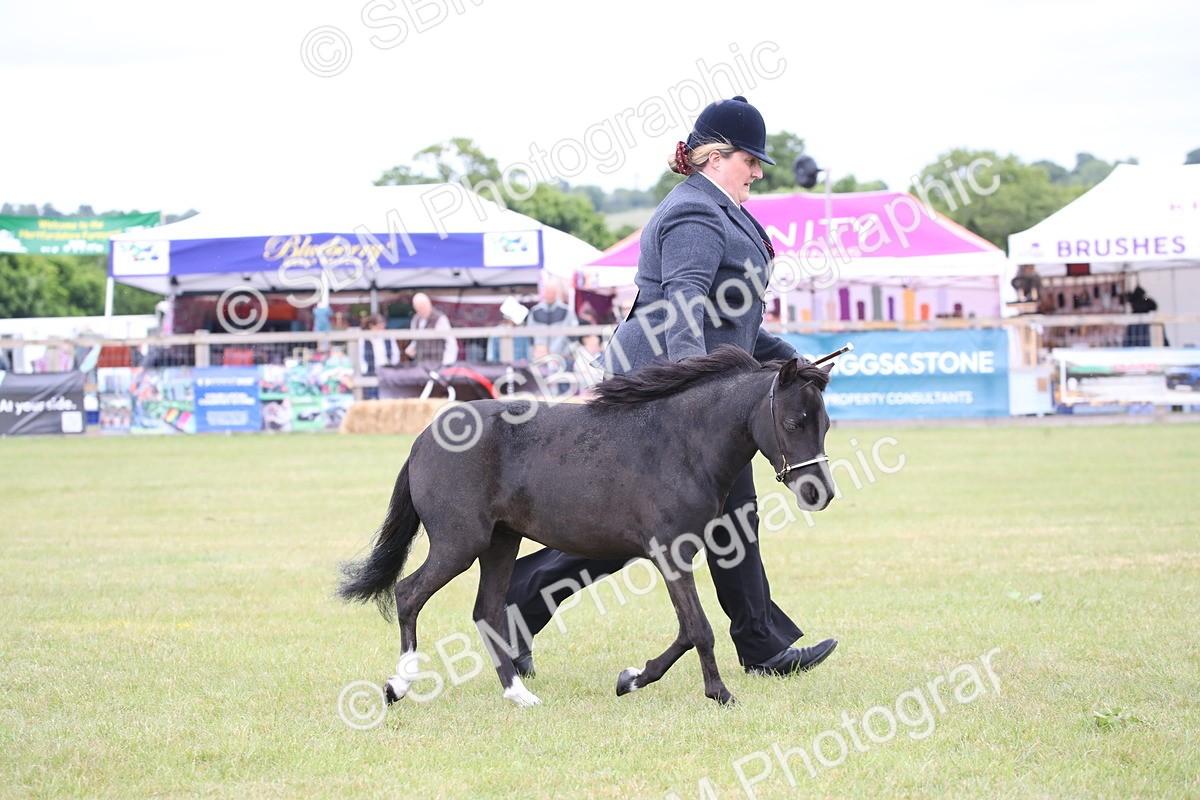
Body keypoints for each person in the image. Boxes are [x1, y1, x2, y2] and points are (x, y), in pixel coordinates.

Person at [504, 96, 838, 679]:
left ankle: (760, 646)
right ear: (715, 156)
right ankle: (516, 606)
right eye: (750, 160)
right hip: (662, 395)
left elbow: (737, 325)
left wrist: (797, 364)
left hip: (699, 395)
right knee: (629, 531)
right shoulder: (694, 215)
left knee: (732, 516)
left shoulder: (721, 208)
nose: (758, 171)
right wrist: (696, 396)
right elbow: (682, 306)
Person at [525, 281, 578, 362]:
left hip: (561, 356)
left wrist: (565, 353)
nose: (550, 294)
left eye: (552, 292)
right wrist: (535, 352)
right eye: (548, 292)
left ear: (556, 293)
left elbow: (573, 335)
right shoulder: (535, 311)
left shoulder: (566, 311)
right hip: (540, 357)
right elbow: (530, 336)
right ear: (544, 292)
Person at [406, 292, 458, 368]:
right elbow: (415, 340)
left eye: (423, 307)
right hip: (420, 365)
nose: (421, 310)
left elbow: (451, 342)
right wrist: (411, 348)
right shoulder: (415, 320)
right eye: (418, 308)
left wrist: (446, 363)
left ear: (429, 304)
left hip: (437, 364)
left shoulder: (440, 319)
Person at [359, 313, 400, 399]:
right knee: (371, 395)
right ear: (371, 326)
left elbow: (396, 354)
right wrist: (365, 370)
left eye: (383, 326)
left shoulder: (388, 337)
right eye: (379, 327)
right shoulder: (363, 339)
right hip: (370, 370)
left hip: (386, 369)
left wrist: (392, 364)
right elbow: (360, 356)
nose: (381, 329)